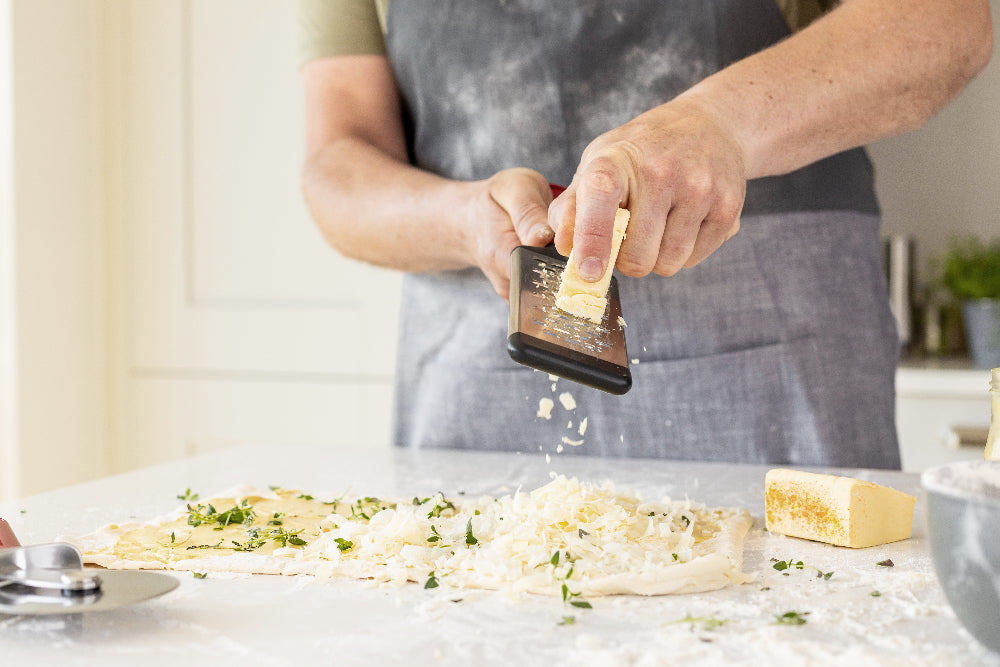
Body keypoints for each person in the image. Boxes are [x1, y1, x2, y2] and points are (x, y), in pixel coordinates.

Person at [296, 0, 992, 468]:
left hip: (776, 349)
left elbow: (944, 23)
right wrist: (462, 219)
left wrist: (721, 124)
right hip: (469, 373)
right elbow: (337, 162)